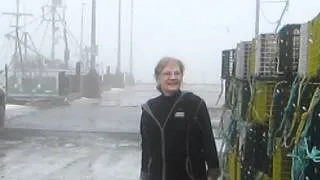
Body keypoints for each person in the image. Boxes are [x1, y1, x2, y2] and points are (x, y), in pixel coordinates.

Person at [139, 57, 220, 180]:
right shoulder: (149, 110)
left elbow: (208, 141)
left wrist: (213, 171)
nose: (173, 77)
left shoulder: (195, 104)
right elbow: (146, 149)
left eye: (177, 73)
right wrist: (144, 175)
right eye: (167, 73)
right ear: (158, 78)